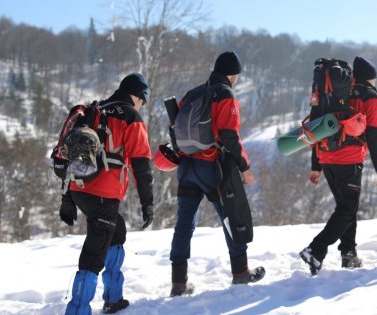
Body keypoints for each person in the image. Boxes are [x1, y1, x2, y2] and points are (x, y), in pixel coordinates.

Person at [169, 51, 264, 297]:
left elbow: (175, 127)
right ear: (232, 75)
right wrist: (244, 166)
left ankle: (178, 283)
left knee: (184, 225)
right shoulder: (224, 94)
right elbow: (229, 135)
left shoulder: (193, 93)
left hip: (187, 167)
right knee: (231, 216)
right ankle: (241, 272)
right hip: (211, 167)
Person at [59, 73, 154, 314]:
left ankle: (113, 298)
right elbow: (142, 165)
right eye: (143, 100)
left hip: (80, 189)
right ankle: (78, 310)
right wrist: (148, 204)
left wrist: (68, 199)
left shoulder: (95, 110)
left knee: (116, 232)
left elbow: (74, 156)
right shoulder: (130, 116)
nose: (142, 105)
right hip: (104, 193)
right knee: (94, 252)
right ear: (136, 95)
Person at [300, 57, 377, 275]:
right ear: (371, 79)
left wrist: (316, 165)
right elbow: (376, 135)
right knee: (347, 210)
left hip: (326, 156)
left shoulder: (339, 94)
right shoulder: (370, 97)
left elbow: (317, 124)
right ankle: (316, 250)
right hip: (348, 159)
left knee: (347, 208)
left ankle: (349, 253)